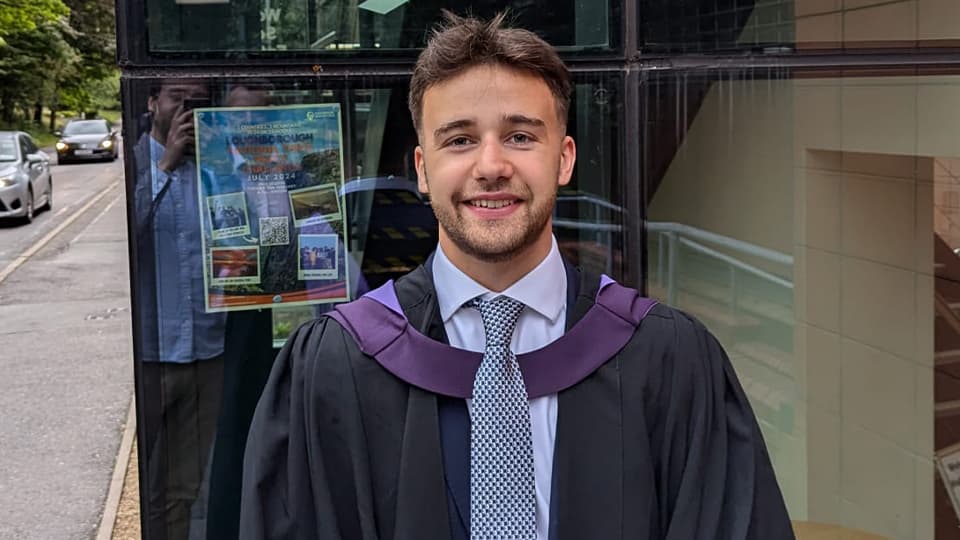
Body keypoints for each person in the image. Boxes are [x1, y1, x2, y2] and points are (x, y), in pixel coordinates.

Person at [239, 12, 795, 540]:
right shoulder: (337, 363)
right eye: (458, 139)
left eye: (521, 136)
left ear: (564, 159)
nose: (490, 166)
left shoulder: (669, 359)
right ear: (422, 170)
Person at [132, 79, 227, 540]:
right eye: (178, 97)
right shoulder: (131, 164)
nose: (189, 109)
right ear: (152, 103)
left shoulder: (216, 171)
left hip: (207, 353)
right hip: (149, 355)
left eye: (200, 102)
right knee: (142, 477)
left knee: (183, 485)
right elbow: (128, 242)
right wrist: (165, 164)